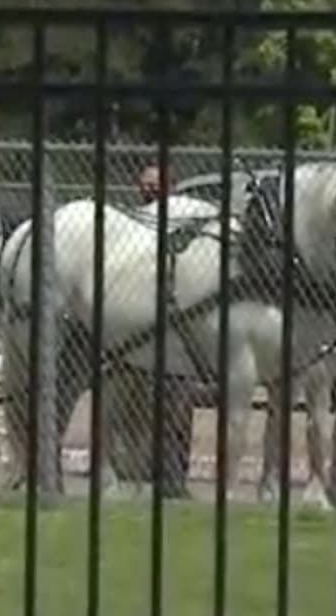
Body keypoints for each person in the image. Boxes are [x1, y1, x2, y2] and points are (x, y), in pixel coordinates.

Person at [107, 164, 196, 499]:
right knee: (129, 404)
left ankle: (173, 477)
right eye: (145, 186)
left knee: (176, 404)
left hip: (175, 329)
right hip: (134, 324)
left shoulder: (182, 223)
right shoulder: (130, 224)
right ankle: (129, 469)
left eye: (156, 186)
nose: (150, 192)